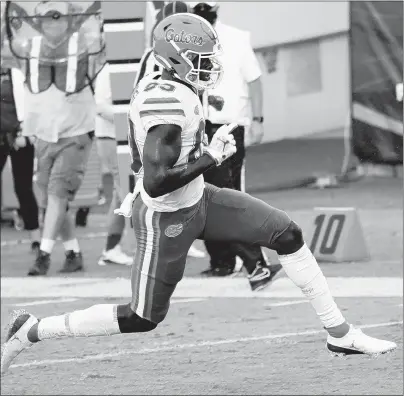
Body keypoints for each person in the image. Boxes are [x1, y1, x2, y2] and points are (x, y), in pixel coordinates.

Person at [0, 13, 396, 375]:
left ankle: (339, 332)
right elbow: (156, 182)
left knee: (287, 234)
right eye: (199, 57)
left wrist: (208, 146)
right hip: (164, 215)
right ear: (175, 58)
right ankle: (32, 330)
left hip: (199, 198)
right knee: (142, 317)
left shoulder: (178, 84)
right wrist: (210, 155)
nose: (210, 64)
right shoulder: (165, 103)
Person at [1, 1, 105, 275]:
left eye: (59, 18)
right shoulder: (27, 49)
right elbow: (5, 49)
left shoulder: (86, 46)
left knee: (57, 194)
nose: (53, 23)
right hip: (44, 135)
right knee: (51, 201)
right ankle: (73, 252)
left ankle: (43, 255)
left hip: (75, 134)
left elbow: (102, 43)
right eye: (47, 19)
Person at [133, 0, 206, 260]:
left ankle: (255, 266)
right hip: (166, 136)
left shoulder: (175, 70)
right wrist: (210, 157)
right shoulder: (163, 88)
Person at [94, 62, 133, 266]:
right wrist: (132, 119)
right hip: (111, 138)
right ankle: (112, 248)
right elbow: (100, 107)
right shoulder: (109, 70)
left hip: (120, 138)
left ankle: (112, 247)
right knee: (125, 191)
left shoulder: (122, 67)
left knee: (121, 194)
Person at [0, 66, 41, 253]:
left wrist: (26, 134)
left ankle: (36, 238)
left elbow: (28, 105)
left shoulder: (14, 75)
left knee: (23, 188)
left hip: (19, 135)